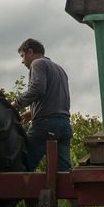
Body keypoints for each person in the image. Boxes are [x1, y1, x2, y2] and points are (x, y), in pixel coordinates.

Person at [12, 38, 73, 172]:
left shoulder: (37, 63)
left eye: (22, 56)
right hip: (64, 125)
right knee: (63, 173)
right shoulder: (59, 69)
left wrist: (16, 104)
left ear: (30, 52)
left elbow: (38, 89)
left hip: (45, 125)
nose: (22, 61)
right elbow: (54, 97)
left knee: (22, 166)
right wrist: (32, 112)